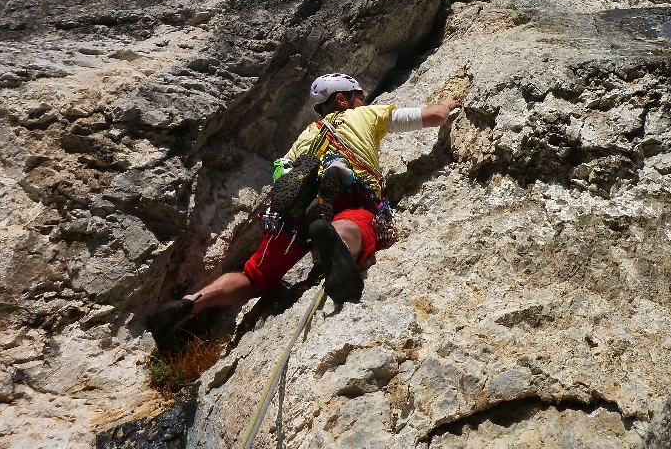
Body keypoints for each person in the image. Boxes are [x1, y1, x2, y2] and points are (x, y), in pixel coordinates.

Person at [146, 72, 460, 342]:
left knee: (254, 277)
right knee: (359, 218)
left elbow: (286, 167)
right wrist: (448, 103)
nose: (364, 101)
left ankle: (192, 303)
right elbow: (434, 116)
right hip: (349, 193)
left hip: (293, 209)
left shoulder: (306, 135)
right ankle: (336, 238)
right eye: (360, 97)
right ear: (342, 100)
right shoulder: (368, 115)